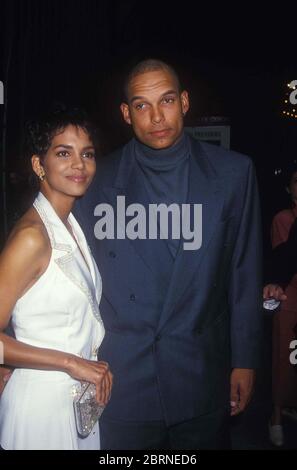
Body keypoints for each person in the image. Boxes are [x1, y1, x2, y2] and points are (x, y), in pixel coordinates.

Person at [75, 59, 263, 449]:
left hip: (200, 372)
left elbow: (244, 273)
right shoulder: (95, 181)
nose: (157, 117)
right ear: (126, 114)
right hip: (121, 378)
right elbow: (60, 268)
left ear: (185, 102)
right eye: (142, 105)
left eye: (167, 100)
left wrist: (245, 359)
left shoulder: (234, 174)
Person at [0, 108, 113, 450]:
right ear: (39, 165)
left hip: (75, 401)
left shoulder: (70, 226)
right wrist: (70, 362)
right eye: (64, 153)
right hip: (40, 410)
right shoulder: (32, 237)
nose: (79, 164)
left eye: (87, 154)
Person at [263, 165, 297, 447]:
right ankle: (275, 415)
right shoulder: (284, 219)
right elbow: (283, 259)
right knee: (283, 362)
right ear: (289, 188)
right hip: (288, 300)